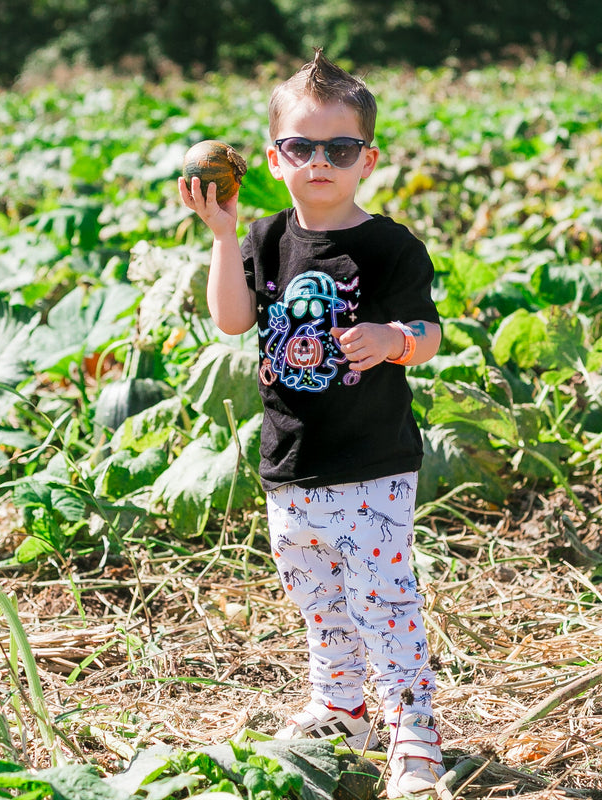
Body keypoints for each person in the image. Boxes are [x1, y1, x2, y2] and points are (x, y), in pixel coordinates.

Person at [177, 50, 444, 798]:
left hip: (373, 465)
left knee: (385, 606)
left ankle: (414, 737)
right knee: (318, 599)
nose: (320, 160)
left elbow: (430, 334)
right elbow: (233, 321)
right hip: (290, 465)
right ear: (274, 157)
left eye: (339, 147)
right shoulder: (261, 240)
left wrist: (394, 342)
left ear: (368, 158)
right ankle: (341, 706)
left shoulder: (390, 246)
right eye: (302, 146)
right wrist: (222, 236)